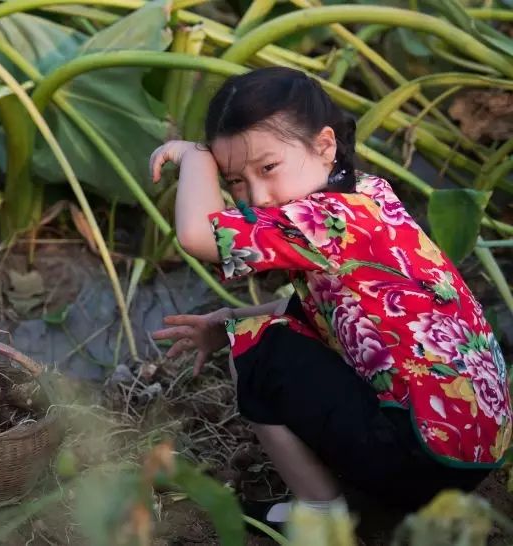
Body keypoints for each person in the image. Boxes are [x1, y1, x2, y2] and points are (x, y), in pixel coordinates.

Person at [149, 66, 512, 530]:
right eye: (237, 180)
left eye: (268, 168)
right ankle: (375, 480)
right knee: (260, 328)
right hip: (478, 445)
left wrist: (197, 157)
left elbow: (196, 235)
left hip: (423, 456)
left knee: (258, 350)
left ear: (324, 145)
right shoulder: (365, 194)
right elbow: (330, 308)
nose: (258, 195)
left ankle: (322, 515)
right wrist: (224, 319)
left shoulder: (317, 221)